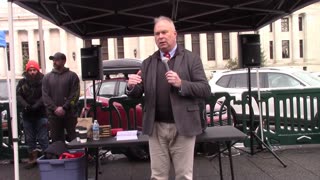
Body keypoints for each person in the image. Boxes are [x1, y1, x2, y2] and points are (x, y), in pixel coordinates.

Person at [126, 16, 211, 180]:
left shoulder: (191, 59)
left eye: (164, 32)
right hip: (156, 127)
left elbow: (205, 90)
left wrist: (181, 83)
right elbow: (136, 93)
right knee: (157, 176)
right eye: (157, 33)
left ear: (175, 34)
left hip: (183, 126)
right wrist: (131, 86)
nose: (160, 37)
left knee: (184, 176)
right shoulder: (148, 63)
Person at [16, 60, 48, 169]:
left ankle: (47, 158)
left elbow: (45, 95)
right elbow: (19, 95)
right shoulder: (22, 82)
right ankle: (32, 159)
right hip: (27, 114)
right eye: (30, 70)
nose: (33, 72)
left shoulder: (43, 81)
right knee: (30, 139)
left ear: (38, 70)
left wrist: (37, 105)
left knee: (43, 138)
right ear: (27, 70)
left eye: (34, 70)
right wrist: (26, 105)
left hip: (41, 113)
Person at [42, 52, 80, 142]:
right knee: (56, 141)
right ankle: (59, 156)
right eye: (53, 60)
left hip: (70, 114)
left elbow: (75, 94)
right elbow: (45, 96)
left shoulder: (72, 76)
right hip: (53, 116)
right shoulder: (47, 78)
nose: (54, 62)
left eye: (57, 60)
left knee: (74, 138)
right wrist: (55, 108)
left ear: (64, 61)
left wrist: (65, 107)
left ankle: (76, 155)